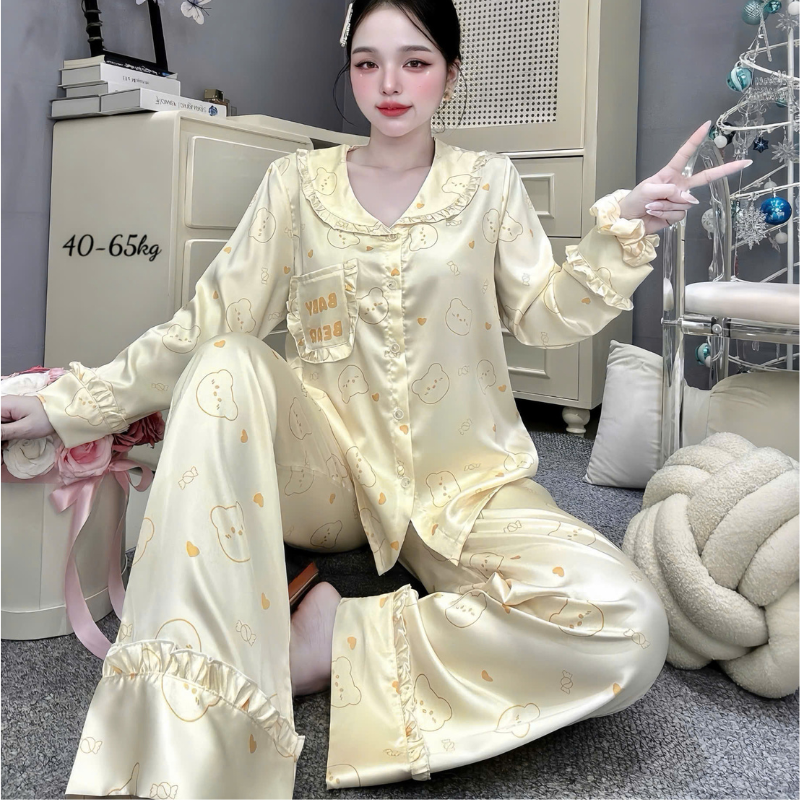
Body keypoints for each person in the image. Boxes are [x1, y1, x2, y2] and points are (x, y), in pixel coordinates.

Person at [1, 1, 751, 797]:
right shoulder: (297, 184)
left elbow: (546, 315)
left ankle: (338, 637)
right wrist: (73, 405)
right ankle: (188, 725)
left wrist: (623, 228)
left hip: (468, 481)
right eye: (367, 62)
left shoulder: (488, 184)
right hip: (330, 477)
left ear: (450, 75)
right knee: (225, 361)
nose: (389, 84)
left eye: (415, 62)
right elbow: (208, 322)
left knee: (628, 625)